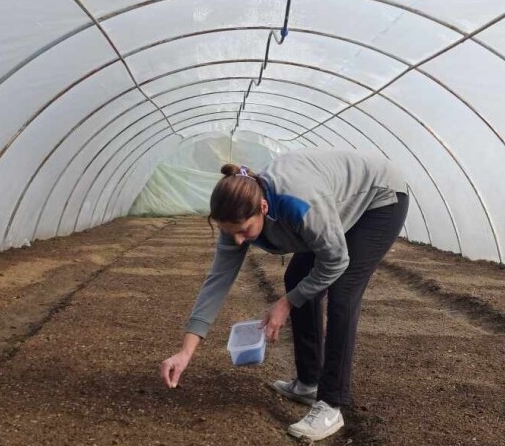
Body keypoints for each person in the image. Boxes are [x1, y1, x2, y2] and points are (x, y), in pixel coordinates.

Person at [160, 149, 409, 441]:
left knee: (343, 291)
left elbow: (336, 260)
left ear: (263, 208)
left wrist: (287, 302)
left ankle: (331, 404)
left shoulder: (298, 204)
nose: (239, 240)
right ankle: (308, 383)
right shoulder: (237, 218)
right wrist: (186, 350)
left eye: (244, 231)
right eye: (231, 233)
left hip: (379, 198)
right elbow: (217, 281)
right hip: (332, 204)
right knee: (297, 277)